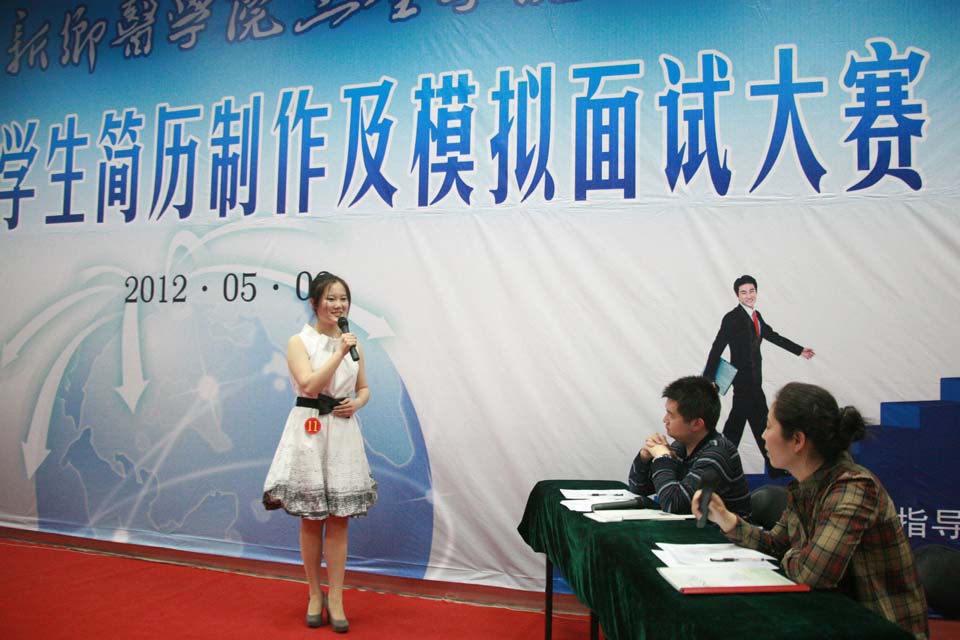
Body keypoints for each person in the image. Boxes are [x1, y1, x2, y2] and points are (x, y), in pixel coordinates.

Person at [693, 382, 928, 640]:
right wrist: (726, 519)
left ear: (797, 440)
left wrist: (792, 554)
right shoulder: (805, 486)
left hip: (880, 627)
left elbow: (813, 573)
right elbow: (776, 544)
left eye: (769, 427)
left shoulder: (853, 487)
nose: (763, 435)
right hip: (833, 617)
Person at [262, 271, 378, 632]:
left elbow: (363, 387)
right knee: (311, 520)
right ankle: (315, 593)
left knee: (339, 520)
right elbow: (310, 384)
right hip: (310, 429)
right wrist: (339, 351)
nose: (338, 305)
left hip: (342, 431)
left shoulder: (354, 344)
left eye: (343, 299)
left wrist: (357, 402)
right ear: (315, 303)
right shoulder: (300, 341)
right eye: (331, 298)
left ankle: (337, 597)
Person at [703, 274, 815, 476]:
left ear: (756, 292)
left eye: (752, 291)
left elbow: (772, 336)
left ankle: (766, 468)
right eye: (744, 292)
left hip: (755, 381)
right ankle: (717, 466)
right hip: (743, 383)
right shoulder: (731, 318)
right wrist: (708, 379)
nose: (749, 295)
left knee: (758, 425)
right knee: (739, 427)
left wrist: (799, 350)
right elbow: (717, 347)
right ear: (737, 296)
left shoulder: (757, 316)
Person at [628, 376, 751, 518]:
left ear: (696, 424)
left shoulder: (717, 454)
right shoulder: (681, 446)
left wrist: (662, 458)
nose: (664, 420)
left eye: (671, 415)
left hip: (722, 531)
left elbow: (674, 505)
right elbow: (638, 488)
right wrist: (645, 457)